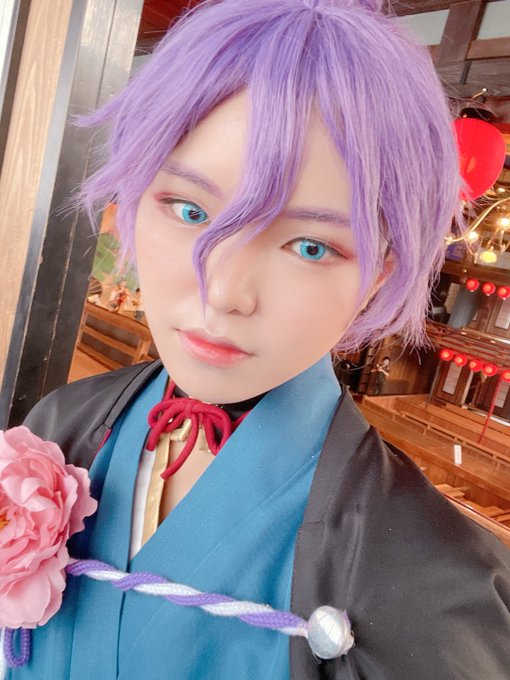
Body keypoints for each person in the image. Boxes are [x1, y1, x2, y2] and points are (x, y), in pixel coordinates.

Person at [5, 0, 510, 678]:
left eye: (310, 246)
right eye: (189, 210)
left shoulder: (431, 588)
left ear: (379, 274)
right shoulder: (61, 429)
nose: (225, 293)